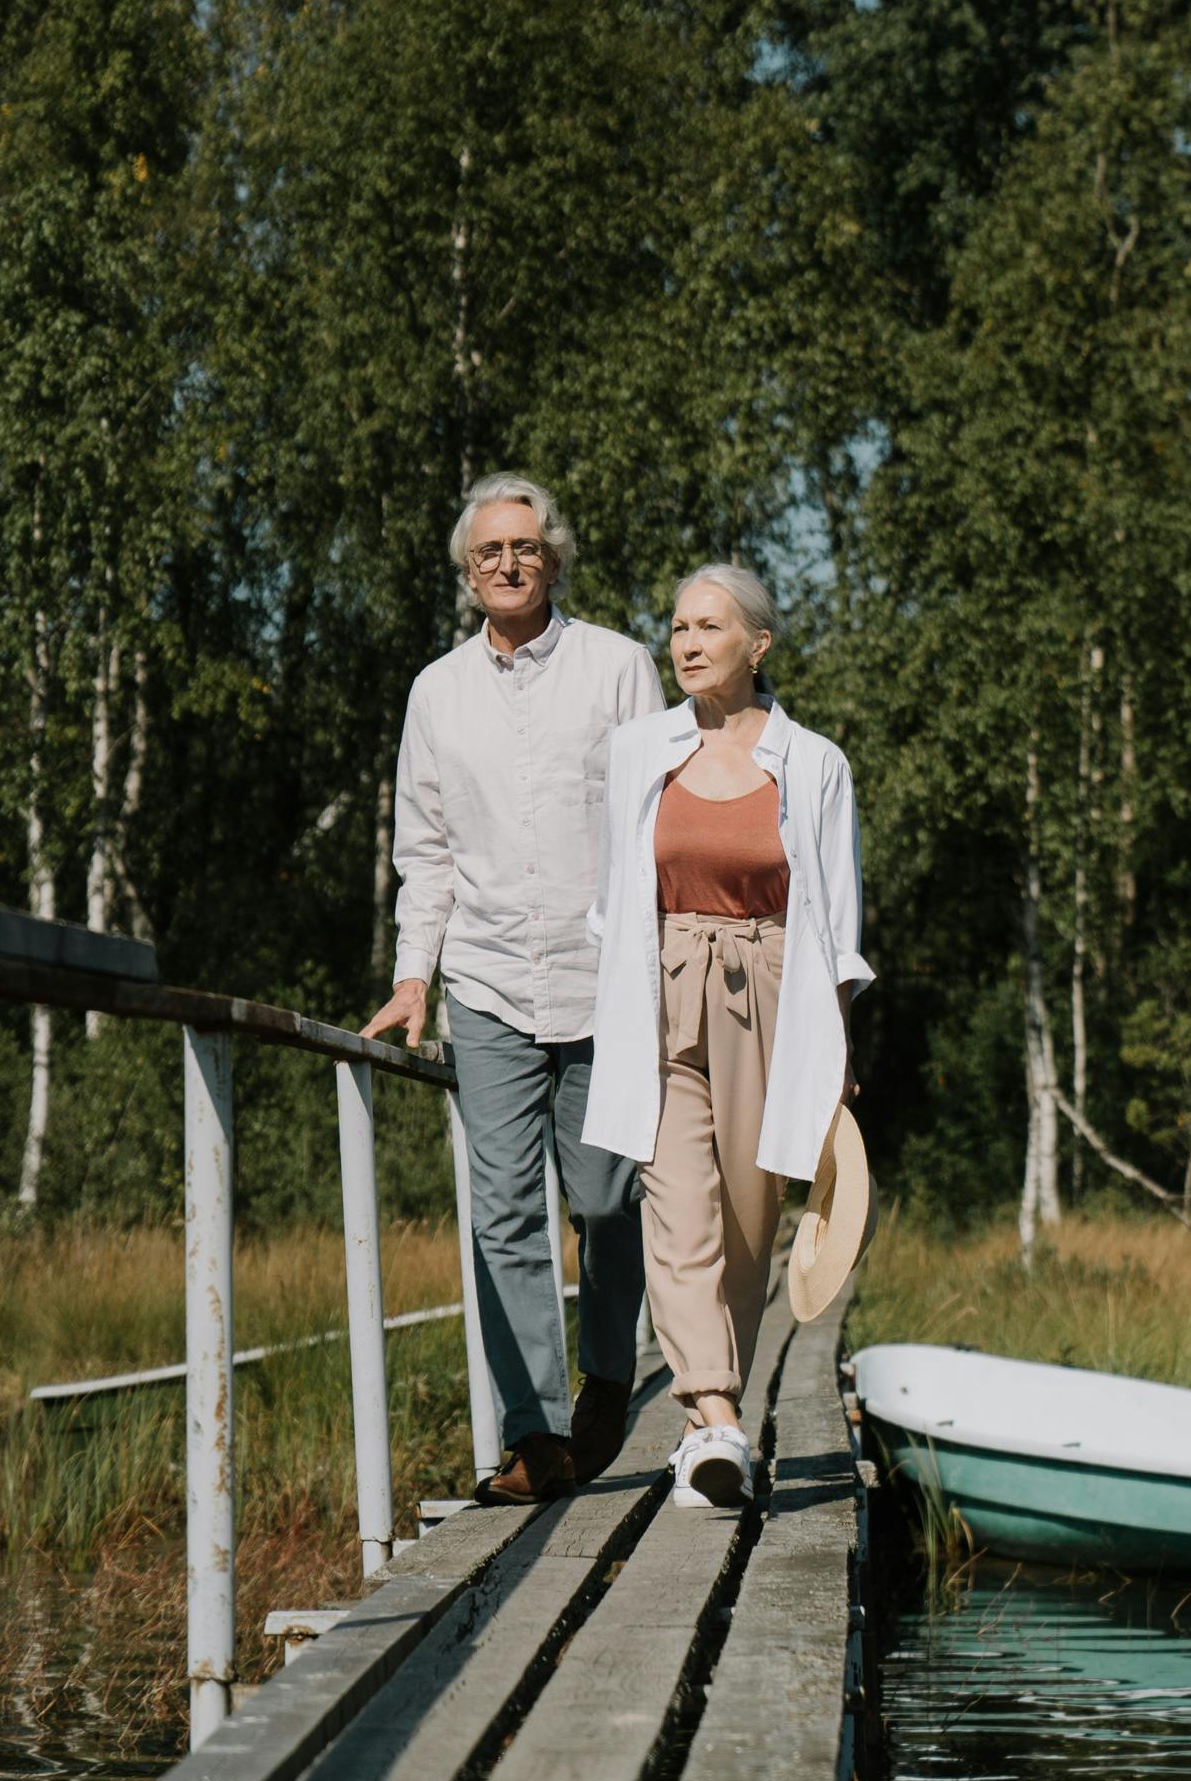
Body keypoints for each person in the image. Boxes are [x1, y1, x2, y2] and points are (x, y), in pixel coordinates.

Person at [365, 473, 663, 1502]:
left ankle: (609, 1375)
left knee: (606, 1197)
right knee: (500, 1212)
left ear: (553, 556)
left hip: (600, 982)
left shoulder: (619, 667)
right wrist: (415, 977)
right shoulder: (435, 691)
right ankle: (537, 1433)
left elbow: (651, 829)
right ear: (465, 568)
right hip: (488, 982)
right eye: (487, 550)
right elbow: (428, 851)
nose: (506, 562)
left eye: (524, 548)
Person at [583, 563, 869, 1511]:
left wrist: (837, 1050)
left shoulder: (815, 762)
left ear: (759, 645)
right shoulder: (638, 752)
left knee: (749, 1217)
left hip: (774, 988)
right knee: (677, 1203)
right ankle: (714, 1416)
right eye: (678, 628)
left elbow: (836, 922)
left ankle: (718, 1410)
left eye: (710, 627)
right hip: (659, 985)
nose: (689, 643)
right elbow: (610, 895)